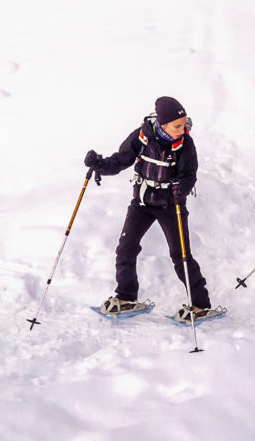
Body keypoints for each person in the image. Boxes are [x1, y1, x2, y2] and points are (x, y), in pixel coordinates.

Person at [84, 96, 216, 321]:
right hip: (143, 201)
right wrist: (100, 165)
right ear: (162, 123)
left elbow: (189, 174)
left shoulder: (185, 143)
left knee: (181, 255)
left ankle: (200, 305)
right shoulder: (142, 136)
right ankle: (126, 298)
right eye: (177, 126)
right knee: (126, 248)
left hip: (170, 205)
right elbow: (121, 160)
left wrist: (182, 188)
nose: (182, 129)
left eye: (184, 124)